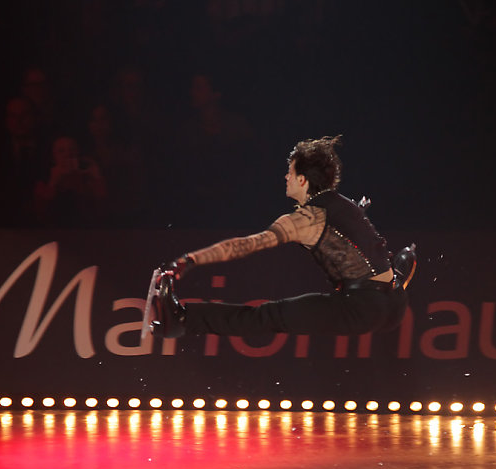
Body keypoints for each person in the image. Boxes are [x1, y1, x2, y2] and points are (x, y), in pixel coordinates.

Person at [148, 135, 416, 340]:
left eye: (290, 171)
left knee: (266, 316)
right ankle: (399, 271)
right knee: (375, 262)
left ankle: (179, 320)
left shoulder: (305, 219)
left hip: (361, 310)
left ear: (302, 180)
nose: (285, 177)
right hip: (393, 306)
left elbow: (244, 246)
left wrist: (189, 260)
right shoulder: (344, 205)